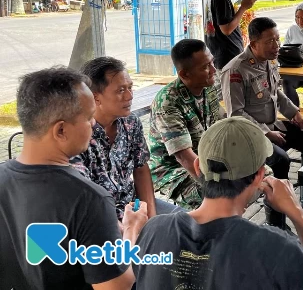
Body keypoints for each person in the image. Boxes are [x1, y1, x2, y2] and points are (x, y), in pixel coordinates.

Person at [134, 117, 303, 289]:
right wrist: (297, 213)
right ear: (260, 175)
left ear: (197, 167)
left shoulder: (153, 230)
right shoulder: (276, 249)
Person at [0, 67, 147, 289]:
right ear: (60, 130)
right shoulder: (89, 200)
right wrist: (131, 230)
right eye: (88, 118)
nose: (94, 124)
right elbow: (117, 286)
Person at [222, 17, 303, 223]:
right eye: (270, 41)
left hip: (272, 126)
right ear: (253, 43)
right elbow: (236, 114)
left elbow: (275, 93)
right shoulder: (236, 70)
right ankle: (276, 221)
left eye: (278, 40)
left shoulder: (268, 62)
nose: (277, 46)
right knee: (280, 160)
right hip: (249, 136)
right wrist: (266, 133)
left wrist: (294, 112)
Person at [70, 57, 176, 222]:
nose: (129, 96)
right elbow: (85, 200)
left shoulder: (131, 123)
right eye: (120, 90)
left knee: (185, 223)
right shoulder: (79, 135)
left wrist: (151, 218)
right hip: (101, 218)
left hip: (133, 205)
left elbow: (141, 169)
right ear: (95, 97)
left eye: (130, 87)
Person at [148, 39, 222, 210]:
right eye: (205, 67)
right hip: (171, 169)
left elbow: (218, 127)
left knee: (256, 175)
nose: (213, 70)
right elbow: (183, 157)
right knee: (213, 195)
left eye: (212, 62)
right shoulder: (167, 102)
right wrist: (217, 183)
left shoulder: (208, 86)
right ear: (184, 75)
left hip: (203, 157)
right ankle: (201, 234)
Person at [205, 0, 257, 96]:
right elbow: (226, 29)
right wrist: (243, 9)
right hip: (227, 56)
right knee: (230, 98)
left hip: (219, 54)